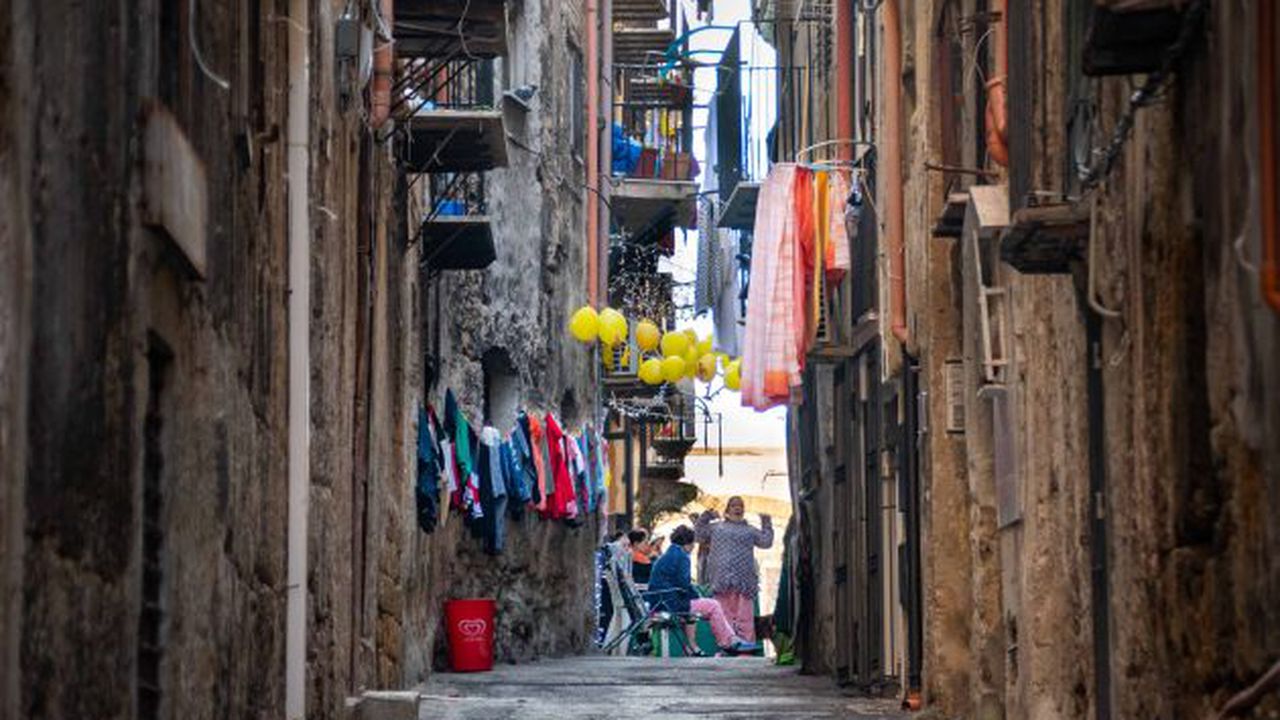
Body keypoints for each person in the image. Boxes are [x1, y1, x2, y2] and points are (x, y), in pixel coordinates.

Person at [647, 525, 757, 655]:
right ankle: (728, 642)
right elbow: (684, 584)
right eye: (693, 543)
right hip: (670, 604)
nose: (694, 547)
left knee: (697, 608)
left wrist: (694, 595)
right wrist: (696, 594)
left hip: (659, 602)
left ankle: (695, 646)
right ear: (688, 543)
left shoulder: (668, 555)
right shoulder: (682, 557)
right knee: (713, 605)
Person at [694, 496, 773, 643]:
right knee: (723, 617)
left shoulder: (750, 530)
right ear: (728, 509)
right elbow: (698, 535)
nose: (737, 508)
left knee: (745, 617)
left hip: (744, 581)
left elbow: (766, 542)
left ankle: (746, 647)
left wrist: (766, 522)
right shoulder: (716, 527)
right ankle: (727, 645)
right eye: (734, 505)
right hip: (721, 579)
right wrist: (707, 516)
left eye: (740, 506)